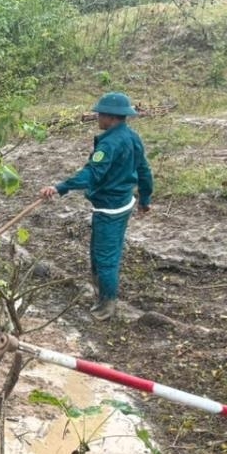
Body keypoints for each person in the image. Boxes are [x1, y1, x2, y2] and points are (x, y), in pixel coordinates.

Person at [40, 92, 154, 321]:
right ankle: (101, 297)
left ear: (111, 117)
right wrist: (144, 199)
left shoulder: (109, 144)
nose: (97, 118)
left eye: (100, 114)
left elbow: (92, 174)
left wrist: (60, 187)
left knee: (105, 259)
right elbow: (144, 171)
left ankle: (106, 306)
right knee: (101, 254)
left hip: (109, 209)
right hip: (124, 203)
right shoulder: (133, 137)